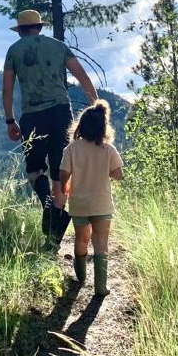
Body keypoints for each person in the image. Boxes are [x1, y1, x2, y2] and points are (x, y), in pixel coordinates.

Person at [2, 10, 98, 247]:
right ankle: (53, 240)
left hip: (32, 115)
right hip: (61, 113)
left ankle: (47, 207)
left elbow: (6, 89)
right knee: (60, 172)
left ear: (21, 30)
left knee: (35, 170)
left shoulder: (14, 51)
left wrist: (10, 120)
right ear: (39, 27)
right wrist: (95, 106)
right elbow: (82, 76)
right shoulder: (58, 46)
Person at [59, 100, 124, 296]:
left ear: (80, 126)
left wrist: (64, 186)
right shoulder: (108, 150)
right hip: (102, 204)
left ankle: (81, 277)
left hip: (79, 203)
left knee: (81, 239)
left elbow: (63, 172)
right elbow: (118, 174)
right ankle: (101, 287)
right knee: (101, 243)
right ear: (103, 128)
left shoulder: (72, 149)